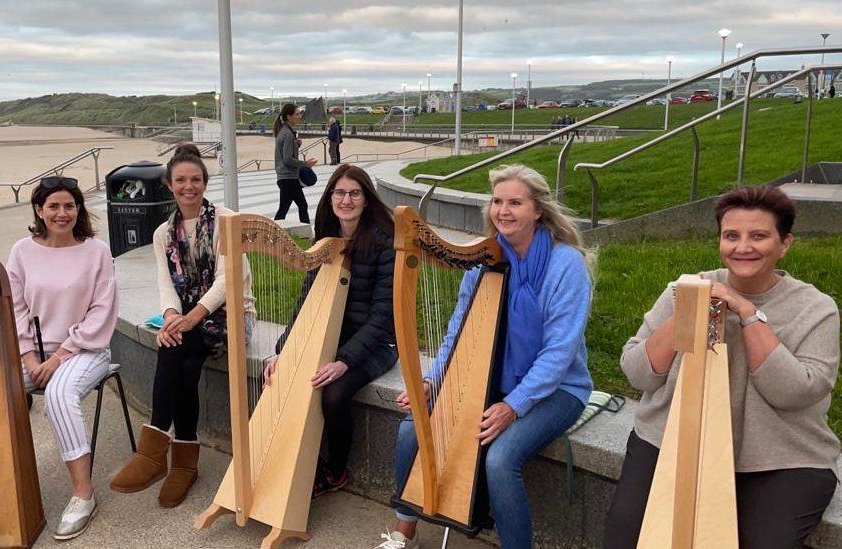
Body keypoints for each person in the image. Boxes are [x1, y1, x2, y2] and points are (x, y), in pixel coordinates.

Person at [603, 185, 840, 548]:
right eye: (731, 236)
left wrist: (747, 312)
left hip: (780, 458)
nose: (743, 247)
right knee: (627, 537)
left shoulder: (815, 308)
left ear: (785, 243)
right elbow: (638, 373)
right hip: (672, 439)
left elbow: (793, 393)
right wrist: (687, 311)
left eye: (758, 236)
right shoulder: (684, 290)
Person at [378, 164, 594, 549]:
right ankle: (403, 531)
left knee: (500, 459)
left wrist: (513, 405)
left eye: (515, 202)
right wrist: (434, 380)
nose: (503, 211)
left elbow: (559, 353)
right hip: (493, 378)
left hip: (559, 389)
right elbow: (458, 329)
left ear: (538, 210)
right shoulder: (484, 259)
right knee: (412, 428)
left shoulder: (566, 265)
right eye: (497, 201)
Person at [0, 175, 118, 541]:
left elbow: (102, 312)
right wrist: (28, 358)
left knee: (58, 395)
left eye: (69, 205)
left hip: (85, 349)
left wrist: (56, 360)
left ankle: (83, 493)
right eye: (53, 206)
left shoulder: (96, 251)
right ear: (39, 210)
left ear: (78, 210)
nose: (62, 213)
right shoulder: (22, 251)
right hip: (31, 355)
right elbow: (17, 311)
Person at [110, 144, 255, 508]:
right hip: (190, 321)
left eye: (195, 179)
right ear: (169, 185)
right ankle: (183, 462)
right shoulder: (163, 234)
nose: (188, 186)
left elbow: (228, 282)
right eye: (180, 180)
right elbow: (165, 285)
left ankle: (156, 445)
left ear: (205, 183)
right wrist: (173, 317)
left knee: (176, 347)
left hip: (232, 316)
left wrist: (189, 318)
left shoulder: (226, 220)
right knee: (182, 357)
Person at [263, 164, 397, 499]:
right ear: (330, 197)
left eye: (354, 193)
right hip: (333, 333)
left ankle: (336, 470)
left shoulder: (384, 242)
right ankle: (289, 466)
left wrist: (344, 362)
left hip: (376, 343)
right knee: (285, 377)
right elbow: (306, 300)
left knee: (333, 394)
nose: (346, 199)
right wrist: (282, 351)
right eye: (339, 192)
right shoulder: (326, 238)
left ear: (366, 200)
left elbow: (382, 316)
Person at [273, 103, 318, 224]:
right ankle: (273, 233)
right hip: (287, 178)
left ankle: (305, 232)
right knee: (285, 208)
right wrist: (305, 163)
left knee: (302, 205)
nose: (300, 116)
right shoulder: (287, 134)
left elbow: (286, 154)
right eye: (297, 114)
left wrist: (296, 145)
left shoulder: (286, 132)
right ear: (289, 116)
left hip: (288, 177)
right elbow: (287, 159)